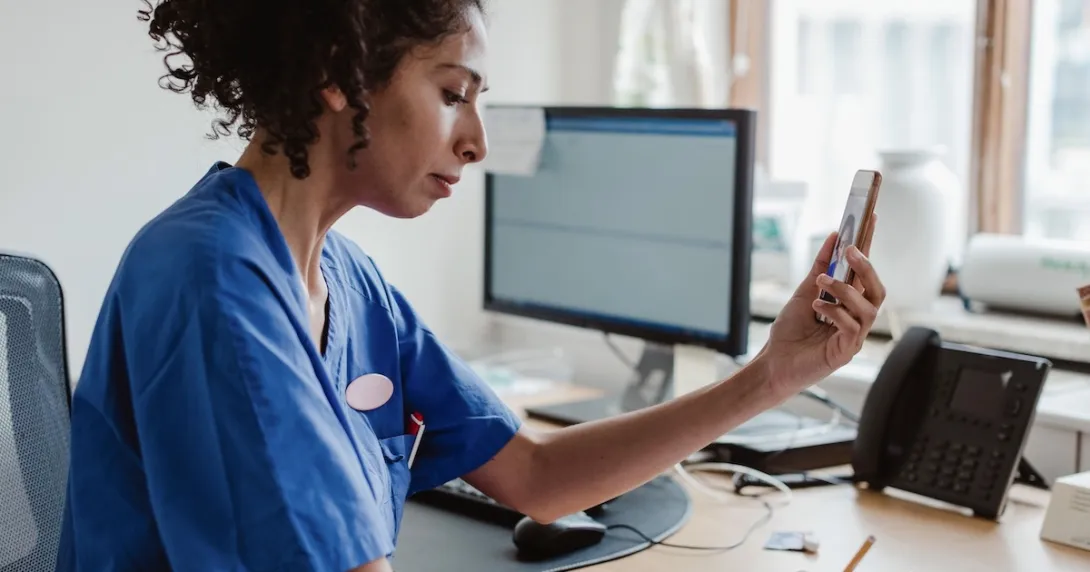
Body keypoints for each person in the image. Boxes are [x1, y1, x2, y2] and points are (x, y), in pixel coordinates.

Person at [57, 1, 887, 571]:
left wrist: (771, 376)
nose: (477, 142)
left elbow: (534, 475)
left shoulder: (347, 281)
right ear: (338, 73)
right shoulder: (209, 281)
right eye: (454, 93)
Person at [827, 213, 857, 282]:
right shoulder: (831, 268)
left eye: (846, 245)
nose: (842, 250)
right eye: (841, 245)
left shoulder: (851, 270)